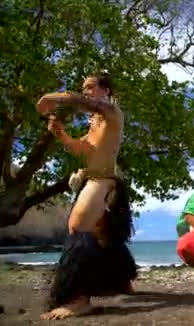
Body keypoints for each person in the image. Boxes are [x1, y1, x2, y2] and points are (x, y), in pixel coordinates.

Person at [36, 72, 137, 320]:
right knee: (104, 235)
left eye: (91, 87)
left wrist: (53, 97)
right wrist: (61, 134)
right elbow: (83, 149)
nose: (87, 91)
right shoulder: (95, 123)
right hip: (94, 179)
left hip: (104, 181)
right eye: (84, 88)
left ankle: (79, 299)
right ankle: (121, 281)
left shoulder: (112, 112)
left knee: (78, 227)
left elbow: (81, 101)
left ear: (106, 91)